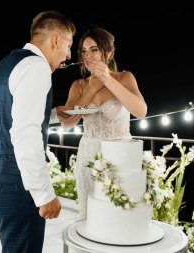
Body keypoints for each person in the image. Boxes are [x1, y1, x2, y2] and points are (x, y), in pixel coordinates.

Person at [0, 11, 76, 253]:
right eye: (68, 45)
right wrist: (44, 194)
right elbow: (25, 135)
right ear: (55, 40)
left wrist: (54, 114)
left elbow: (9, 116)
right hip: (15, 180)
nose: (68, 55)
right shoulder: (36, 67)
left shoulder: (9, 62)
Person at [60, 27, 147, 220]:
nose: (87, 56)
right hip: (88, 155)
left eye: (94, 49)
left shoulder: (125, 78)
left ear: (109, 53)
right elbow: (68, 123)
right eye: (83, 50)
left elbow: (140, 111)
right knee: (90, 214)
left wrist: (107, 79)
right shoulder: (79, 85)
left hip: (120, 156)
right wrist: (90, 89)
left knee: (118, 215)